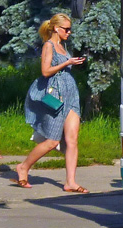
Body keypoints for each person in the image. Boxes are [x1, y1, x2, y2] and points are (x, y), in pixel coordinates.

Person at [15, 14, 88, 193]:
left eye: (70, 29)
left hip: (71, 95)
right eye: (66, 29)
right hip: (56, 96)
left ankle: (70, 181)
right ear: (56, 28)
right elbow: (45, 71)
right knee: (52, 140)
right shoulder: (49, 46)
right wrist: (68, 63)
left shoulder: (63, 46)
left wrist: (73, 62)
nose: (69, 32)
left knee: (72, 140)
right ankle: (23, 167)